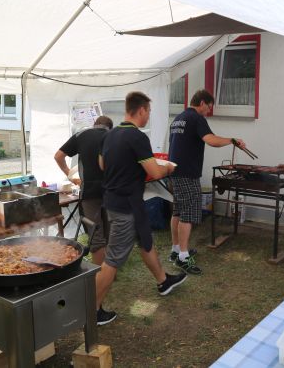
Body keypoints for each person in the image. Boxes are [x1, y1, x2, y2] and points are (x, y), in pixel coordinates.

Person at [96, 92, 186, 326]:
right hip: (125, 206)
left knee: (145, 240)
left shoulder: (110, 134)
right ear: (142, 110)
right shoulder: (137, 137)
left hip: (119, 201)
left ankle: (163, 281)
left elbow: (102, 165)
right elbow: (155, 173)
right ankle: (91, 310)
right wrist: (168, 168)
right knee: (113, 259)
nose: (148, 116)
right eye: (149, 111)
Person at [168, 89, 246, 275]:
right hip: (187, 173)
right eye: (209, 107)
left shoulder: (178, 118)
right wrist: (231, 140)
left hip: (174, 171)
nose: (209, 111)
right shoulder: (196, 118)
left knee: (178, 211)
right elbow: (211, 140)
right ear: (202, 102)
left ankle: (176, 249)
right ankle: (183, 258)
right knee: (188, 213)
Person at [54, 115, 113, 267]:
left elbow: (58, 156)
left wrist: (70, 175)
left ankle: (99, 276)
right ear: (109, 127)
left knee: (96, 236)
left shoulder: (82, 135)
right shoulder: (114, 136)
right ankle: (108, 273)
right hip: (112, 192)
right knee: (109, 232)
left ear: (95, 125)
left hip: (90, 192)